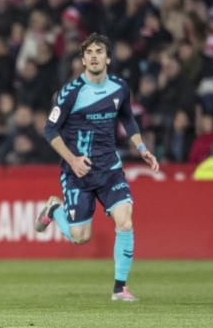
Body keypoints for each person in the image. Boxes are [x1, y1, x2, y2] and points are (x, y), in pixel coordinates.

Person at [36, 33, 159, 302]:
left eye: (99, 51)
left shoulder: (120, 87)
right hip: (77, 171)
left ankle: (120, 289)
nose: (93, 56)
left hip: (109, 168)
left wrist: (142, 149)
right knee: (80, 237)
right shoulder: (71, 93)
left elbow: (128, 119)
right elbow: (49, 129)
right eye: (89, 52)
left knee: (125, 222)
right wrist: (72, 159)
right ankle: (55, 208)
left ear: (108, 58)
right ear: (82, 60)